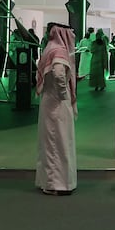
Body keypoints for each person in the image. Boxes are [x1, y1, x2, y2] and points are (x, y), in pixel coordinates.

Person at [35, 23, 77, 196]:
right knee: (57, 142)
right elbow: (59, 73)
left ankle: (50, 181)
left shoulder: (49, 48)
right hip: (57, 103)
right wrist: (63, 94)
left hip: (49, 101)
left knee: (51, 142)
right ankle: (56, 184)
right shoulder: (59, 50)